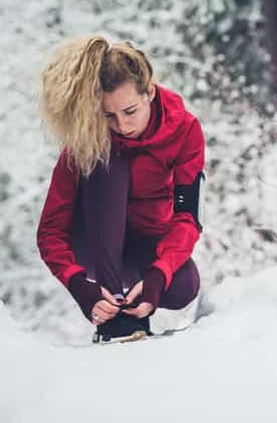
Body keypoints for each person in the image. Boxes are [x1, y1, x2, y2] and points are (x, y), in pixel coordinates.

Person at [36, 36, 205, 344]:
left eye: (130, 111)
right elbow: (50, 231)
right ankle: (113, 321)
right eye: (109, 115)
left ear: (149, 93)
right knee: (107, 161)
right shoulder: (88, 136)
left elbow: (189, 217)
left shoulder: (185, 129)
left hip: (146, 241)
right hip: (94, 242)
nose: (122, 125)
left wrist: (159, 273)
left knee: (184, 285)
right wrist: (78, 285)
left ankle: (135, 313)